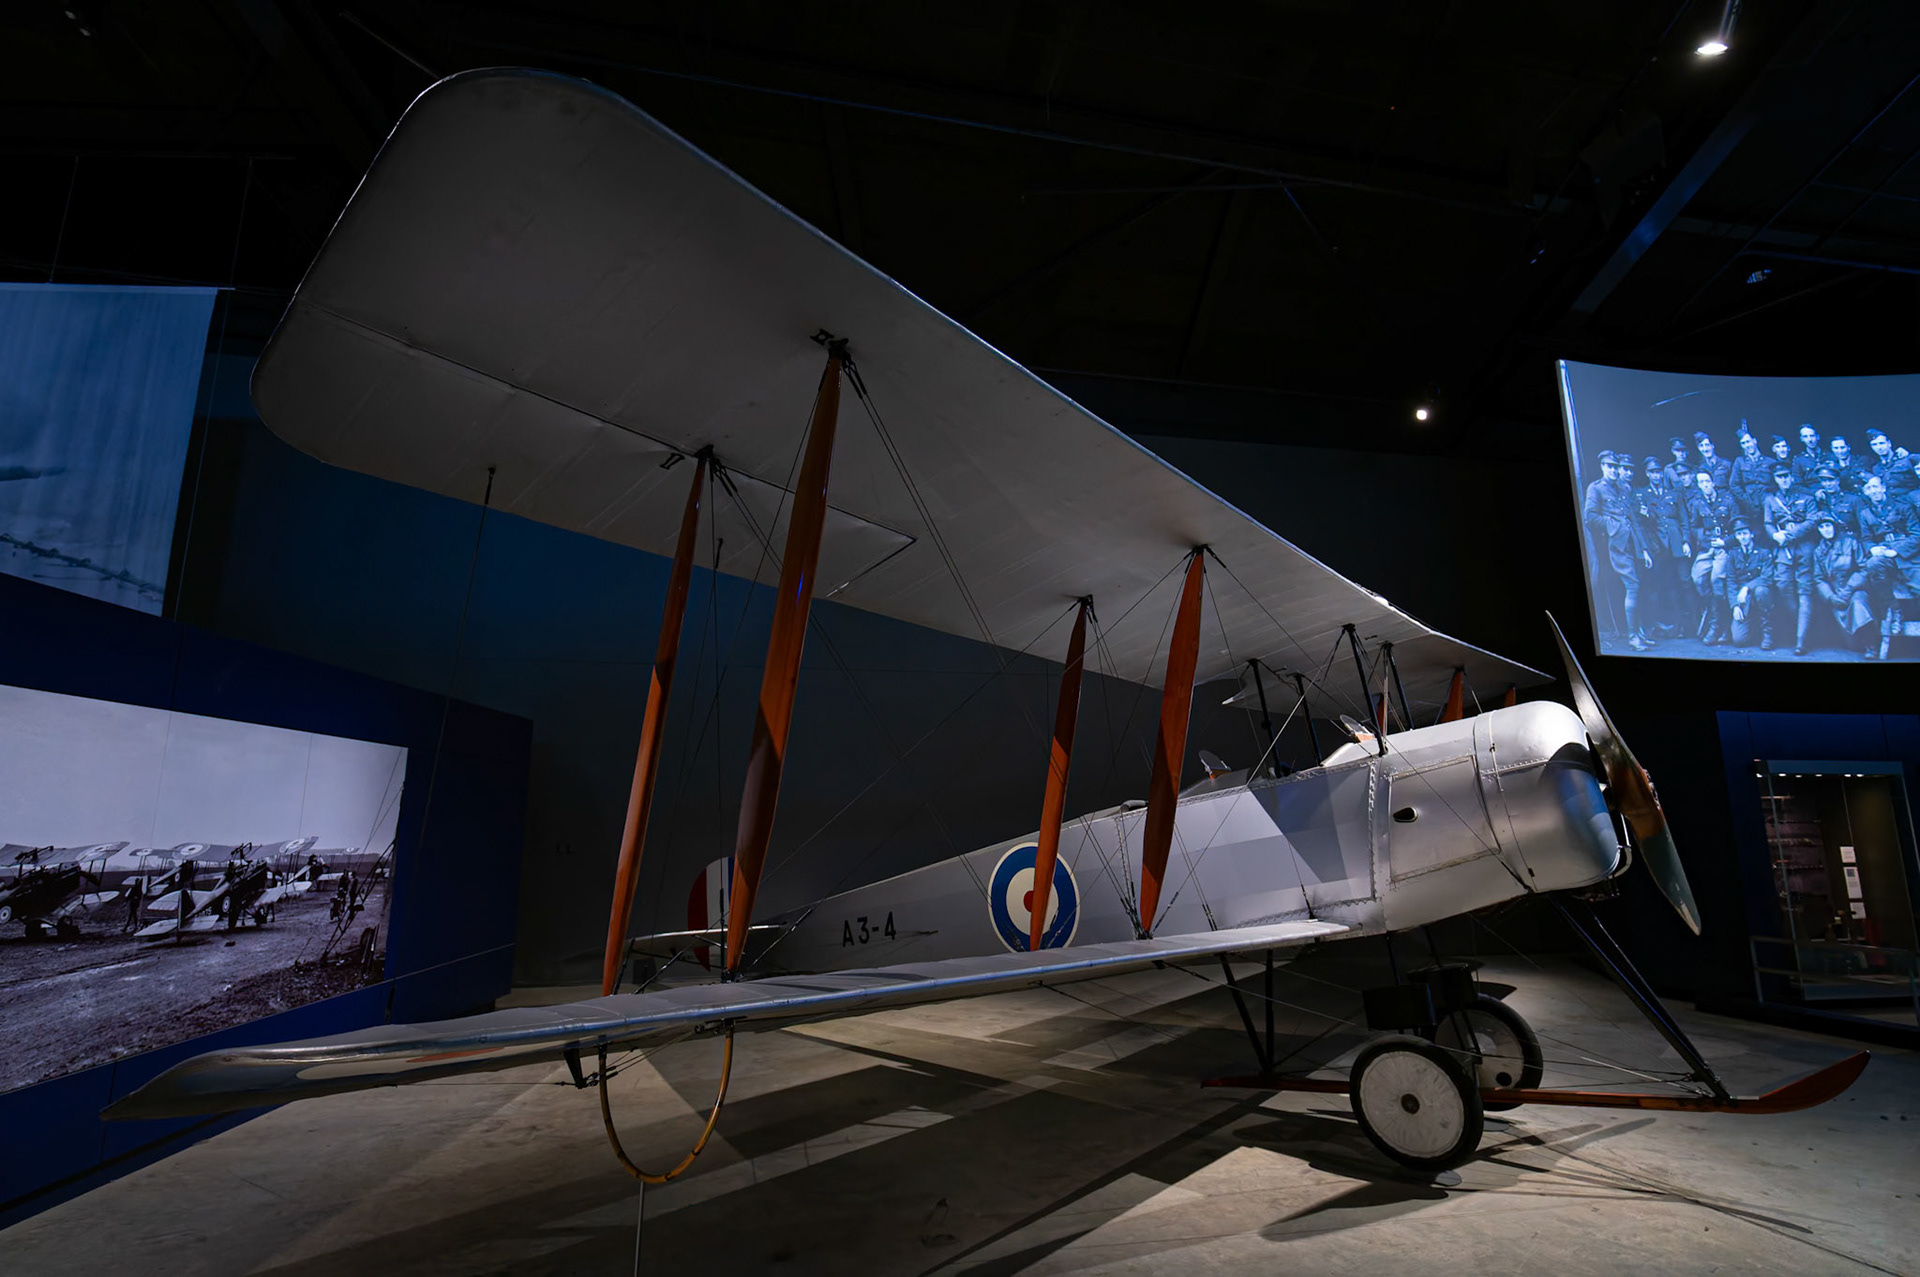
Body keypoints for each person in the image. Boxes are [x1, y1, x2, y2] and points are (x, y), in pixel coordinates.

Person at [1585, 450, 1656, 649]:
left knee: (1638, 586)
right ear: (1602, 467)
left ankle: (1640, 633)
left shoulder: (1623, 488)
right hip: (1617, 546)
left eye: (1616, 467)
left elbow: (1634, 521)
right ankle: (1633, 637)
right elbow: (1590, 517)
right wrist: (1612, 526)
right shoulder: (1596, 488)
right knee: (1633, 586)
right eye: (1609, 466)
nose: (1613, 470)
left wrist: (1644, 549)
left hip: (1633, 544)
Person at [1762, 463, 1822, 655]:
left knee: (1805, 590)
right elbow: (1768, 523)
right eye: (1780, 477)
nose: (1784, 479)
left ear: (1792, 477)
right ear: (1776, 479)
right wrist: (1774, 536)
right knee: (1783, 587)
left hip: (1804, 548)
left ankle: (1801, 641)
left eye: (1787, 475)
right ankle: (1803, 627)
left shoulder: (1807, 498)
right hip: (1783, 550)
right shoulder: (1770, 500)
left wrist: (1791, 534)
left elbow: (1813, 521)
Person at [1635, 455, 1690, 636]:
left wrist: (1686, 541)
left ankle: (1685, 625)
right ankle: (1654, 625)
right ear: (1647, 474)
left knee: (1682, 583)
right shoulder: (1643, 495)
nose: (1656, 475)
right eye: (1652, 472)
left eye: (1658, 471)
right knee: (1656, 587)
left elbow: (1684, 520)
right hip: (1657, 547)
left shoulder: (1673, 494)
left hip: (1676, 546)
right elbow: (1642, 525)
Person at [1811, 514, 1875, 654]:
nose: (1826, 529)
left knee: (1858, 604)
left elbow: (1863, 568)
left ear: (1834, 526)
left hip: (1856, 589)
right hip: (1837, 595)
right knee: (1853, 645)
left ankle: (1872, 645)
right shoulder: (1818, 551)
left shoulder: (1851, 542)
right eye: (1821, 527)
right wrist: (1831, 597)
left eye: (1828, 525)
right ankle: (1857, 642)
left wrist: (1849, 589)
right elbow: (1818, 578)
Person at [1686, 470, 1737, 642]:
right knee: (1697, 578)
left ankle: (1719, 624)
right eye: (1701, 482)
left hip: (1724, 548)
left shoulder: (1728, 501)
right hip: (1707, 548)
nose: (1705, 485)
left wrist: (1725, 542)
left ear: (1713, 482)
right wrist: (1705, 539)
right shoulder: (1697, 503)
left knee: (1717, 580)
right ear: (1698, 485)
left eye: (1707, 481)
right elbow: (1694, 526)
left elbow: (1739, 527)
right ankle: (1713, 609)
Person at [1721, 518, 1777, 648]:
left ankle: (1767, 633)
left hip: (1760, 594)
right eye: (1739, 534)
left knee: (1761, 591)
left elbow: (1767, 578)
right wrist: (1735, 605)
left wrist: (1747, 587)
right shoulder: (1733, 555)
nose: (1743, 537)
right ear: (1735, 536)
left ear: (1751, 534)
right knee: (1739, 641)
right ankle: (1752, 627)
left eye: (1745, 533)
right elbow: (1731, 581)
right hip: (1742, 599)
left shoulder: (1764, 553)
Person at [1730, 427, 1773, 520]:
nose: (1747, 446)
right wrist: (1745, 499)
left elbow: (1776, 484)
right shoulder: (1739, 462)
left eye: (1748, 442)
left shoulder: (1770, 461)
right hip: (1750, 507)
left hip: (1769, 505)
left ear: (1754, 441)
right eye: (1743, 443)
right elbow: (1734, 485)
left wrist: (1771, 499)